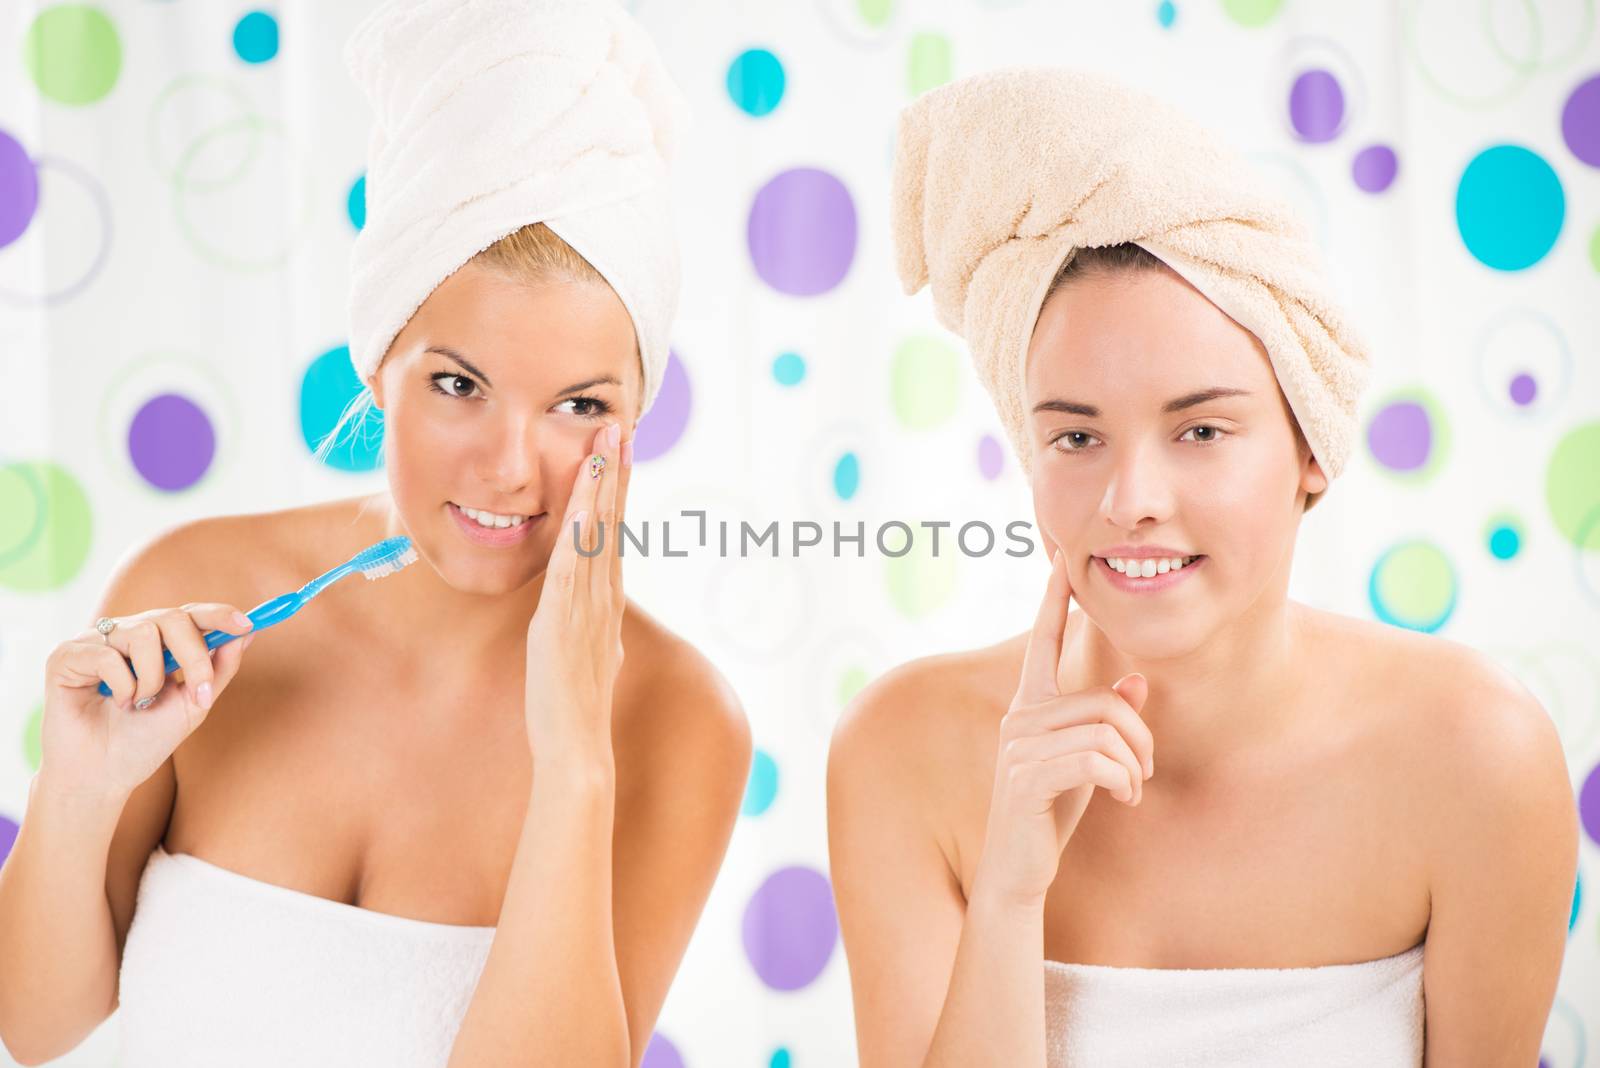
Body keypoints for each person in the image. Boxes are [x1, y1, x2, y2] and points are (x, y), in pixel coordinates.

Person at [0, 3, 750, 1066]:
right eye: (459, 385)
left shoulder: (677, 722)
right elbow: (37, 1033)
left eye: (580, 406)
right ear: (377, 364)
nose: (510, 468)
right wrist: (75, 789)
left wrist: (575, 755)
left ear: (636, 416)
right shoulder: (194, 594)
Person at [827, 68, 1577, 1067]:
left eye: (1201, 428)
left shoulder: (1476, 758)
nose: (1130, 496)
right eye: (1075, 438)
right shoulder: (904, 751)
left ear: (1311, 445)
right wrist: (1009, 897)